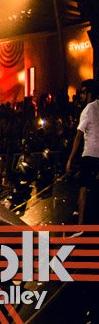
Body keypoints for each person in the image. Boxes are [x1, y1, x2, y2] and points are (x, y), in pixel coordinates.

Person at [66, 79, 99, 224]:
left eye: (84, 92)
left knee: (83, 188)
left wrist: (70, 158)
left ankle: (80, 225)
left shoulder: (87, 109)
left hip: (89, 153)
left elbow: (78, 136)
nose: (81, 95)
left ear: (90, 93)